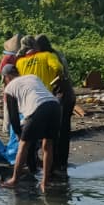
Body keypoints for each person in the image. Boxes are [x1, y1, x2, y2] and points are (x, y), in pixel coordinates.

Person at [0, 65, 62, 193]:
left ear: (7, 77)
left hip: (37, 109)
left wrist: (18, 133)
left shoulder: (10, 87)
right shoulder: (33, 77)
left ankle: (14, 180)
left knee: (23, 145)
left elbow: (13, 115)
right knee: (48, 145)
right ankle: (45, 182)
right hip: (55, 106)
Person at [24, 34, 76, 174]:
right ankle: (60, 163)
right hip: (67, 95)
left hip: (60, 96)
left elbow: (57, 74)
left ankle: (53, 165)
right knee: (63, 131)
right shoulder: (55, 54)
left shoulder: (47, 56)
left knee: (54, 132)